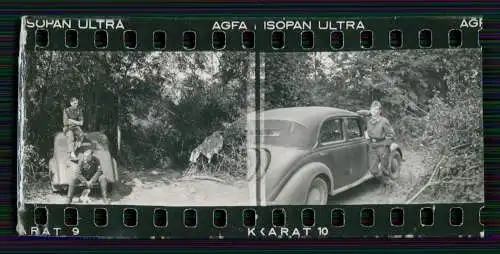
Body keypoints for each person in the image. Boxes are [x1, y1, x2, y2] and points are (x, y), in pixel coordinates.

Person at [365, 100, 395, 178]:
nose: (374, 111)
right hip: (373, 146)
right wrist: (368, 141)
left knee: (384, 168)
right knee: (373, 170)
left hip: (382, 146)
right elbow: (367, 133)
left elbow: (391, 135)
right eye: (373, 109)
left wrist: (386, 147)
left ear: (380, 111)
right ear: (370, 110)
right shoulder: (369, 121)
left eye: (376, 109)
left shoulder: (384, 121)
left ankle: (388, 183)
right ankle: (382, 179)